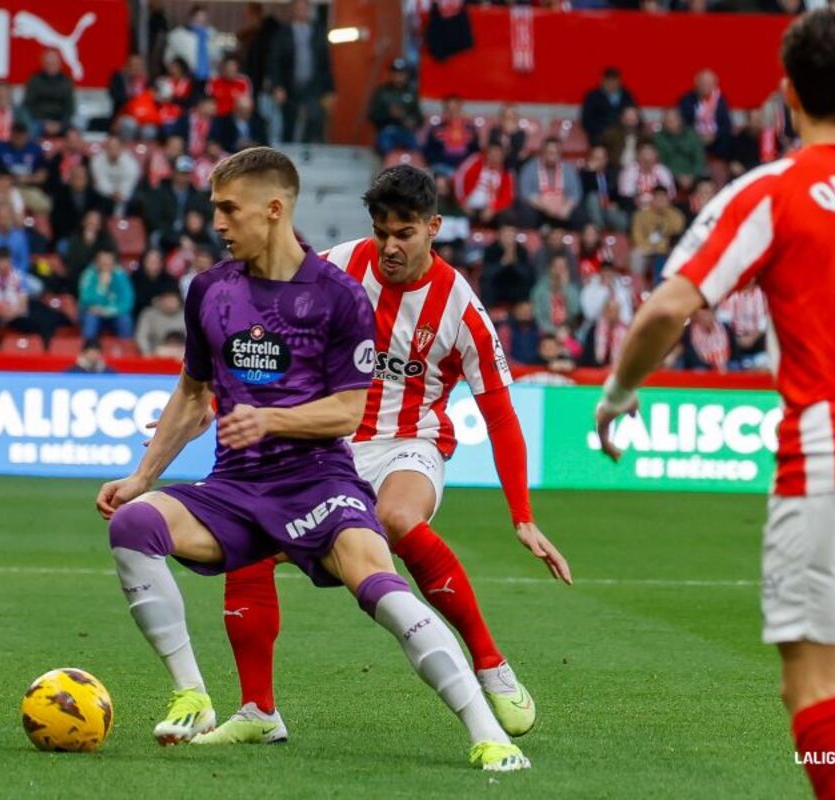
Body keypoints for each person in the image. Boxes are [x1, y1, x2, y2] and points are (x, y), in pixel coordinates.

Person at [595, 8, 835, 799]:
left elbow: (669, 307)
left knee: (813, 691)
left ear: (788, 96)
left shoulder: (775, 190)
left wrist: (619, 392)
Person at [95, 149, 531, 772]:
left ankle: (489, 723)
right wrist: (142, 476)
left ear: (273, 210)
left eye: (227, 209)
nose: (216, 223)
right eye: (214, 208)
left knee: (383, 573)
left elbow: (349, 411)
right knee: (132, 526)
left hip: (327, 475)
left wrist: (521, 513)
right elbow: (195, 393)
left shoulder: (340, 295)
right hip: (238, 484)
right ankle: (204, 697)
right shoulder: (211, 290)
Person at [204, 165, 570, 747]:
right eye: (382, 232)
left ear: (434, 228)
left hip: (410, 443)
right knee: (247, 542)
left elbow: (500, 414)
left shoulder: (461, 308)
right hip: (330, 446)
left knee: (398, 519)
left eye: (405, 233)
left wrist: (522, 517)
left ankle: (490, 663)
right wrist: (209, 392)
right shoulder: (337, 267)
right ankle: (258, 710)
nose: (391, 246)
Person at [268, 0, 334, 143]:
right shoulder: (283, 33)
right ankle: (288, 155)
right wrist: (277, 86)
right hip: (289, 84)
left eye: (304, 8)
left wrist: (329, 89)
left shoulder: (318, 32)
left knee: (315, 117)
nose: (301, 11)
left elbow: (325, 62)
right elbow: (275, 62)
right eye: (298, 8)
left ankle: (311, 151)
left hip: (313, 84)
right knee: (289, 120)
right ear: (293, 10)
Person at [517, 138, 584, 230]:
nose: (552, 156)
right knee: (526, 211)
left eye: (556, 152)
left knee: (579, 213)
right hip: (539, 208)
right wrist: (544, 206)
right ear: (542, 153)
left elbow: (575, 194)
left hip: (562, 209)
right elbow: (525, 193)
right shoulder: (529, 168)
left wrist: (566, 207)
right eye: (549, 152)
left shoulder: (568, 169)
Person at [368, 58, 423, 155]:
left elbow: (419, 118)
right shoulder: (382, 91)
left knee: (416, 150)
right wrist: (389, 113)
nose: (398, 76)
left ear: (406, 75)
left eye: (401, 73)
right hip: (387, 130)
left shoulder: (411, 92)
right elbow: (373, 115)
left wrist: (412, 121)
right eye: (395, 73)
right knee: (387, 148)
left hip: (406, 131)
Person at [78, 248, 135, 340]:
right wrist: (102, 287)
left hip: (114, 312)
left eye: (109, 262)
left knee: (125, 319)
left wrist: (108, 311)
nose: (106, 265)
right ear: (97, 262)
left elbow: (127, 301)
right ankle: (88, 349)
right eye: (103, 262)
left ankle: (126, 350)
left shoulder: (120, 275)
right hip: (94, 313)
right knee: (90, 318)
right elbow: (85, 299)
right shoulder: (89, 274)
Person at [24, 50, 76, 138]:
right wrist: (45, 123)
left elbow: (70, 107)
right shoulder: (35, 80)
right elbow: (29, 104)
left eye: (54, 63)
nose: (51, 66)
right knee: (29, 130)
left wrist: (60, 123)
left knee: (74, 134)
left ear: (60, 64)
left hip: (61, 122)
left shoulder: (66, 82)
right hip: (39, 121)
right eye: (49, 63)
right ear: (43, 64)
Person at [580, 67, 635, 145]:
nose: (612, 84)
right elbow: (586, 121)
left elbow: (636, 116)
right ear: (603, 81)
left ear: (619, 81)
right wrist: (604, 131)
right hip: (599, 138)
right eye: (609, 81)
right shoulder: (593, 96)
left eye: (614, 81)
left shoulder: (626, 96)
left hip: (623, 137)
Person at [90, 135, 142, 218]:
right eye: (110, 147)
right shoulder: (97, 161)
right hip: (105, 195)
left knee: (137, 201)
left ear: (121, 148)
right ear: (106, 148)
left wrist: (121, 194)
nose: (113, 150)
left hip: (125, 194)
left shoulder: (131, 163)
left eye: (116, 147)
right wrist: (112, 193)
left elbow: (129, 183)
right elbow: (101, 182)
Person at [135, 288, 185, 356]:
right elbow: (141, 337)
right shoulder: (149, 314)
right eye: (167, 299)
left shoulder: (188, 314)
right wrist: (147, 354)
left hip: (183, 353)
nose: (170, 302)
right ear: (160, 300)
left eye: (173, 299)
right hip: (157, 353)